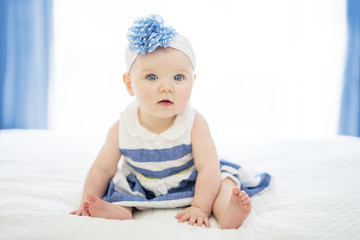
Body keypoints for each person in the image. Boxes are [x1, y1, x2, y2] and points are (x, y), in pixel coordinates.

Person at [70, 14, 271, 229]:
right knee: (119, 187)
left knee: (224, 181)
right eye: (152, 77)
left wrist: (200, 208)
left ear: (192, 82)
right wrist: (86, 200)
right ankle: (119, 211)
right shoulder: (122, 128)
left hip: (194, 181)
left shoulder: (194, 123)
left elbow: (208, 169)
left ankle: (227, 211)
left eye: (178, 78)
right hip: (143, 183)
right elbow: (101, 169)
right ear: (129, 84)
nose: (167, 87)